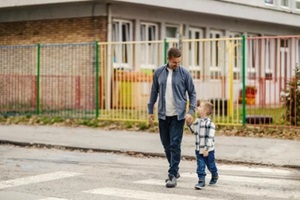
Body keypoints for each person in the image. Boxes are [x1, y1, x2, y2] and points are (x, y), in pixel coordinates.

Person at [148, 47, 196, 188]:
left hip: (178, 115)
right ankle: (175, 168)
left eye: (179, 62)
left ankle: (172, 174)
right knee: (166, 145)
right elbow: (153, 92)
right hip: (163, 114)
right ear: (168, 59)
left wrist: (191, 111)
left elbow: (192, 93)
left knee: (175, 144)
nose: (177, 65)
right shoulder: (159, 72)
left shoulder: (184, 73)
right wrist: (150, 109)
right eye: (175, 62)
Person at [188, 101, 219, 189]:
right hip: (198, 149)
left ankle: (215, 174)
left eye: (200, 106)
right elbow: (193, 130)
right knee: (200, 165)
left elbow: (210, 137)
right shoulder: (197, 121)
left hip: (208, 150)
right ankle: (201, 181)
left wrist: (207, 149)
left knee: (211, 165)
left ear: (205, 111)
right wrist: (189, 123)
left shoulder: (210, 124)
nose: (197, 107)